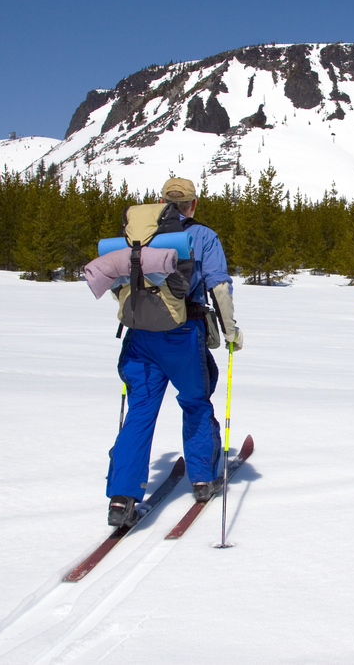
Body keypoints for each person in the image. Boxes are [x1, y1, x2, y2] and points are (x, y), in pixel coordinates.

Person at [106, 177, 243, 527]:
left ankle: (121, 498)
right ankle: (201, 478)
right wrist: (230, 331)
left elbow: (118, 281)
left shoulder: (137, 237)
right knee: (196, 401)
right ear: (193, 204)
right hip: (183, 334)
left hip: (140, 336)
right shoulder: (203, 236)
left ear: (161, 203)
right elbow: (219, 285)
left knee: (139, 412)